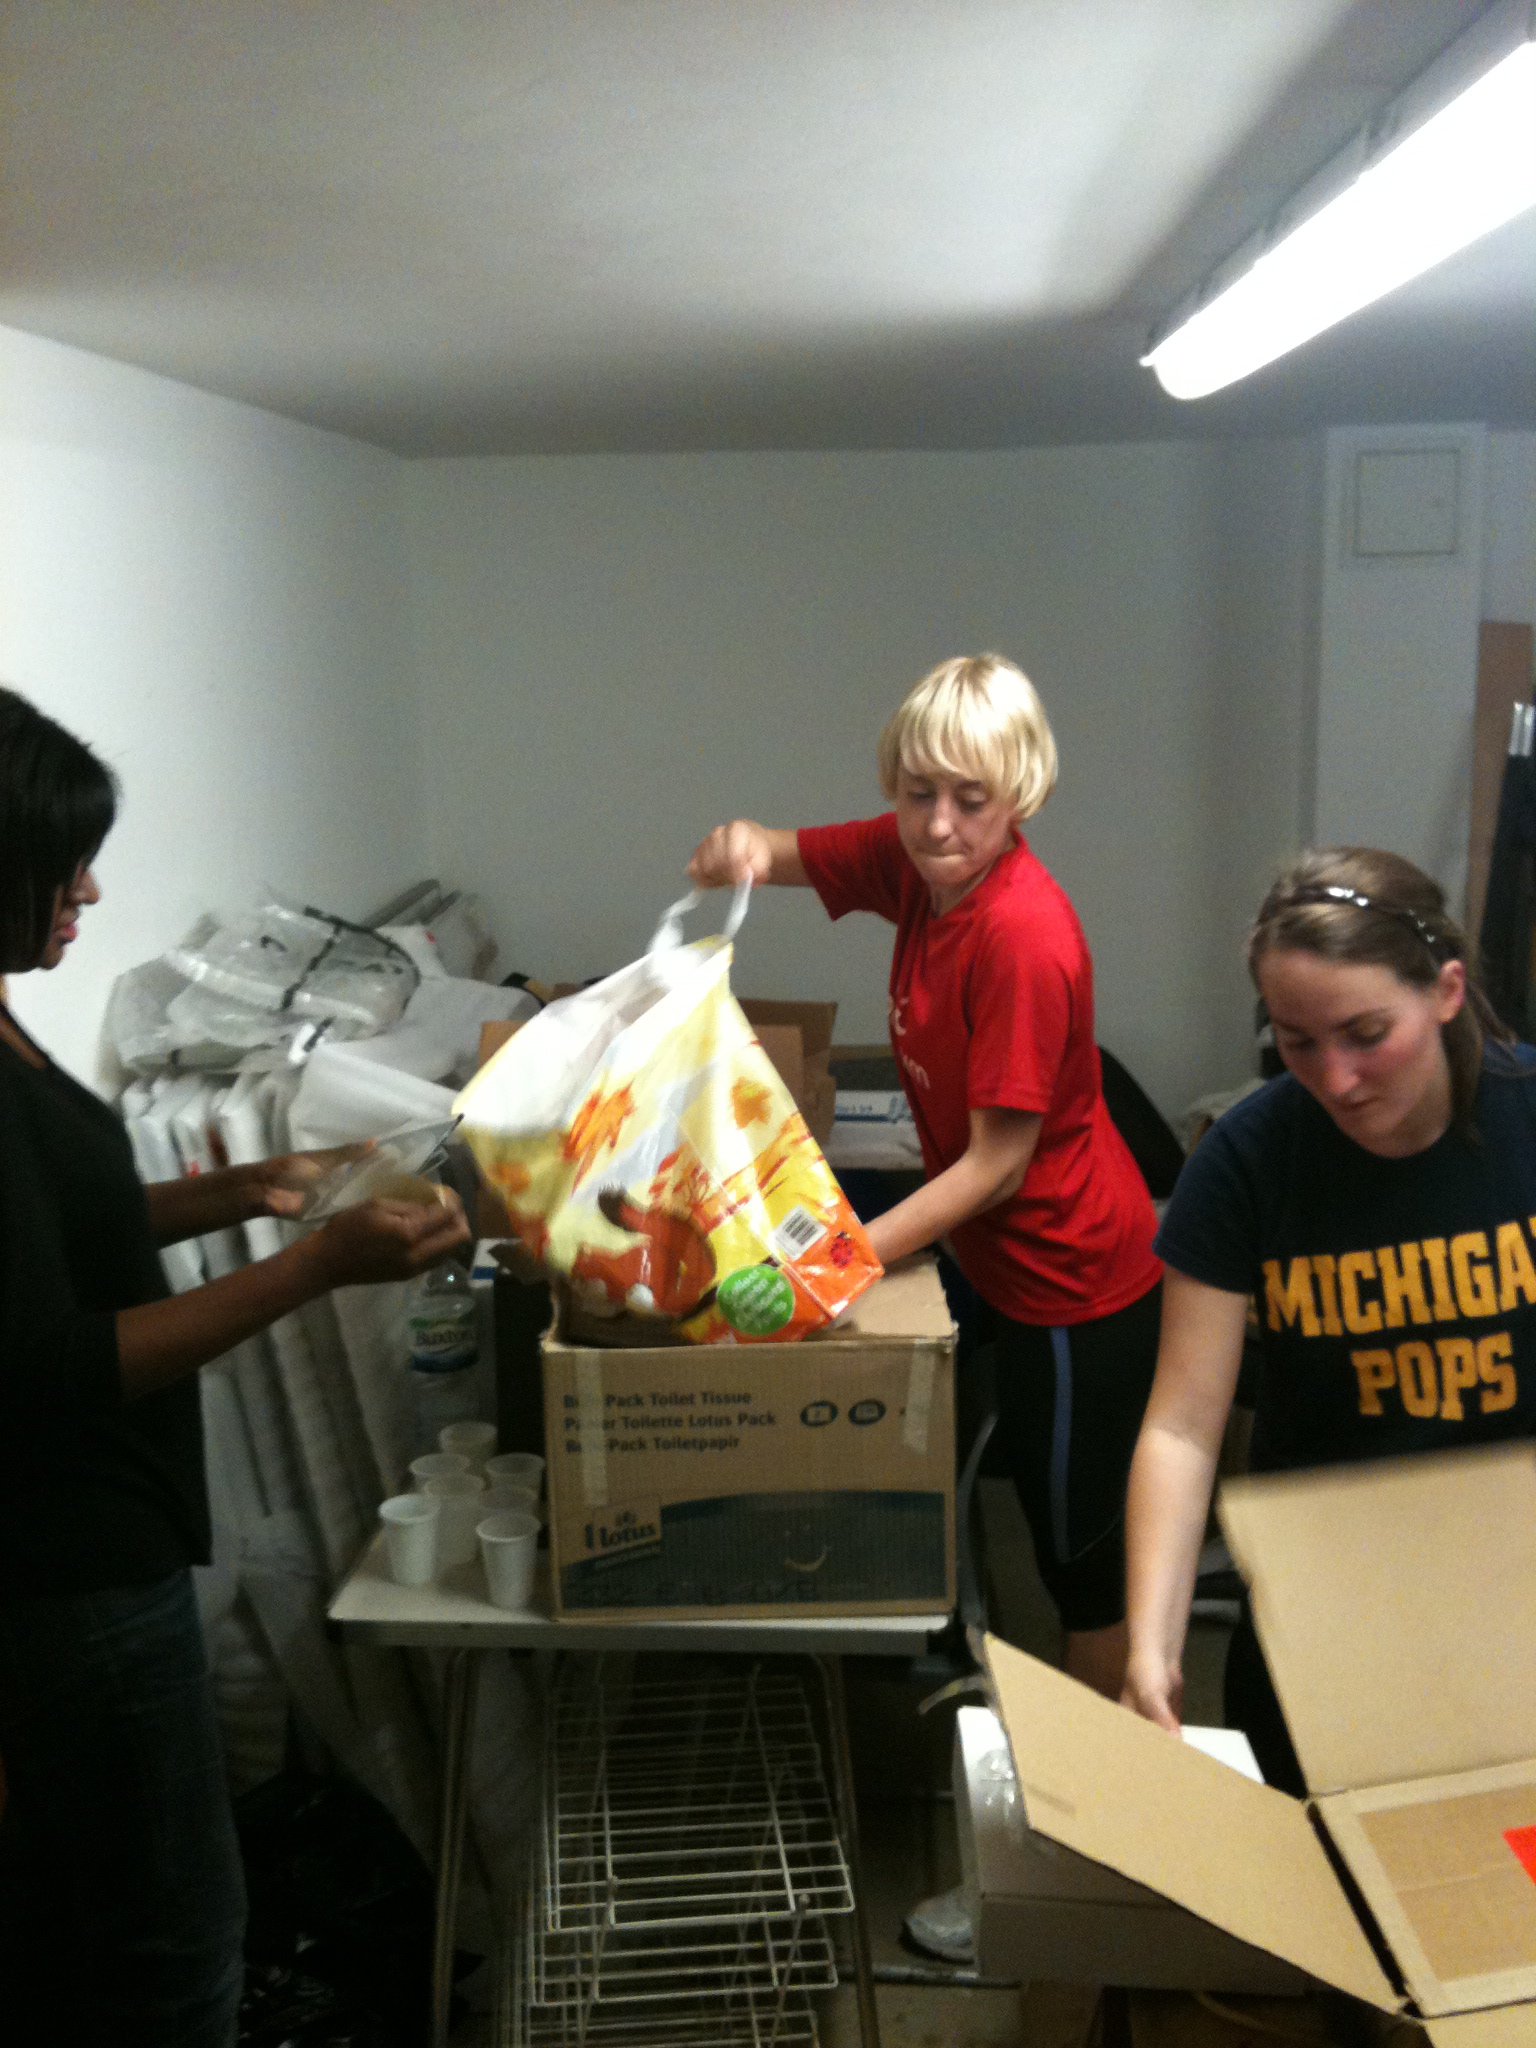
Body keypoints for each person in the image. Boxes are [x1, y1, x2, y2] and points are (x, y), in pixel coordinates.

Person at [0, 687, 471, 2046]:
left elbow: (64, 1229)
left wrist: (259, 1184)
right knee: (178, 1946)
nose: (89, 890)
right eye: (61, 860)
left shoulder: (9, 1015)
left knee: (120, 1927)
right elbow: (46, 1364)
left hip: (105, 1553)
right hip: (65, 1580)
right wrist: (317, 1265)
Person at [690, 654, 1162, 1686]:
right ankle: (928, 1645)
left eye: (969, 798)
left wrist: (836, 1264)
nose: (938, 822)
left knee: (1080, 1559)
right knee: (926, 1438)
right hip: (992, 1251)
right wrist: (739, 847)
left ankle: (1096, 1805)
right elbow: (778, 851)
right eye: (917, 793)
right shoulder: (920, 863)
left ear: (1019, 796)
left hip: (1074, 1284)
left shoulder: (1022, 936)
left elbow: (997, 1165)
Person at [1122, 846, 1536, 1793]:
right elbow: (1184, 1426)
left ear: (1445, 990)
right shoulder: (1245, 1161)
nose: (1336, 1079)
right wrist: (1152, 1643)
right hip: (1326, 1599)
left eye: (1364, 1033)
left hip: (1510, 1576)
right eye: (1298, 1042)